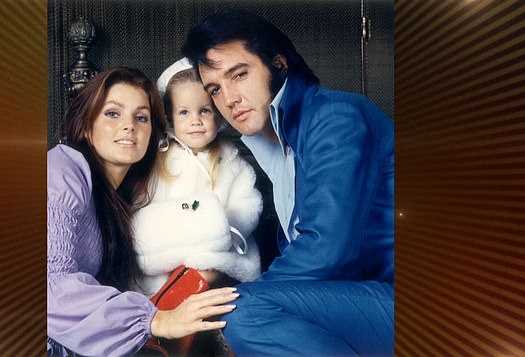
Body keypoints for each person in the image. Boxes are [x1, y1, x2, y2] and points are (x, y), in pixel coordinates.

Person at [182, 9, 394, 356]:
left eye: (239, 74)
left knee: (243, 312)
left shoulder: (335, 118)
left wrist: (236, 299)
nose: (229, 99)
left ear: (278, 64)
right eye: (216, 89)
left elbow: (326, 249)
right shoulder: (280, 152)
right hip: (367, 303)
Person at [47, 67, 239, 356]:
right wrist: (156, 320)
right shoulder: (61, 170)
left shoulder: (122, 198)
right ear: (86, 125)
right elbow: (49, 285)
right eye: (112, 113)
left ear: (154, 134)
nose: (129, 126)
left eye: (141, 117)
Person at [133, 58, 262, 297]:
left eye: (204, 110)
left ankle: (205, 315)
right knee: (154, 280)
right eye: (184, 112)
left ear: (219, 116)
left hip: (218, 251)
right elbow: (143, 208)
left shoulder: (231, 162)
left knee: (210, 274)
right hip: (167, 252)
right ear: (170, 119)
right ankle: (169, 313)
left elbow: (248, 204)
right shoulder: (158, 161)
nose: (196, 121)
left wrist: (221, 227)